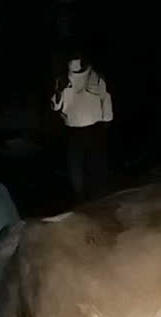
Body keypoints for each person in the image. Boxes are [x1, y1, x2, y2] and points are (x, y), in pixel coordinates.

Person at [51, 51, 113, 203]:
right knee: (75, 171)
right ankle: (80, 202)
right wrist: (59, 92)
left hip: (94, 130)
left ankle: (96, 201)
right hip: (73, 132)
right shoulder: (62, 80)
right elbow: (56, 106)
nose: (74, 63)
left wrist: (106, 121)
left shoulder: (96, 78)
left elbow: (106, 100)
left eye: (77, 59)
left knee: (95, 168)